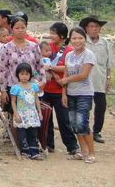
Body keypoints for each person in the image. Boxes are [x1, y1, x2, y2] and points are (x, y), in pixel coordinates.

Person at [40, 22, 79, 154]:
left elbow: (68, 67)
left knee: (63, 120)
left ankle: (72, 146)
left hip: (60, 90)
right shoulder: (47, 47)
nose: (51, 36)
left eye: (53, 33)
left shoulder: (69, 50)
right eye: (50, 33)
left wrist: (50, 68)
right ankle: (48, 144)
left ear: (62, 36)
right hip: (46, 89)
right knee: (46, 119)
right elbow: (40, 61)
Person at [61, 27, 97, 164]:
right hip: (71, 93)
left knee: (82, 123)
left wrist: (67, 80)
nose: (77, 41)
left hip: (84, 93)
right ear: (70, 39)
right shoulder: (69, 55)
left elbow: (83, 75)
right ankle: (83, 152)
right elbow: (65, 73)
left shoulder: (88, 54)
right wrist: (64, 93)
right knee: (74, 124)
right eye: (74, 38)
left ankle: (92, 152)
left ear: (85, 39)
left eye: (80, 38)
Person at [80, 15, 111, 143]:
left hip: (100, 80)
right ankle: (83, 130)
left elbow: (109, 63)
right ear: (86, 28)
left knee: (101, 107)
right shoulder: (82, 41)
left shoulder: (104, 43)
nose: (94, 29)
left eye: (97, 26)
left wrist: (108, 78)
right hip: (84, 80)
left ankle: (96, 132)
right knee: (84, 107)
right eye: (91, 26)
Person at [10, 63, 43, 160]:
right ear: (18, 75)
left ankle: (34, 152)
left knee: (33, 132)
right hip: (21, 114)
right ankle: (25, 151)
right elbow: (13, 102)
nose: (24, 76)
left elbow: (37, 99)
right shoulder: (15, 88)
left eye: (27, 74)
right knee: (22, 133)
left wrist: (39, 112)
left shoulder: (34, 86)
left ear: (30, 75)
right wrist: (16, 113)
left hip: (32, 113)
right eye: (22, 74)